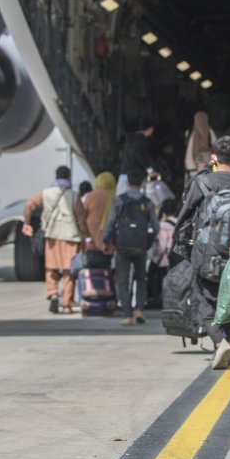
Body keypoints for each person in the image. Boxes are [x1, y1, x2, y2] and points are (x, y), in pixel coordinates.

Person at [175, 135, 230, 369]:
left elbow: (185, 216)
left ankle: (219, 340)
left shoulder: (201, 182)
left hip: (205, 251)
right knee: (228, 297)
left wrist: (181, 244)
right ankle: (224, 340)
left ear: (214, 157)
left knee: (203, 298)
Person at [23, 166, 86, 314]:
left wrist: (26, 224)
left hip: (51, 236)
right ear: (69, 177)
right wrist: (85, 235)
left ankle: (52, 294)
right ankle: (66, 304)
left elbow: (29, 205)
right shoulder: (74, 195)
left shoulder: (46, 194)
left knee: (51, 268)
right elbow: (81, 219)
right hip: (70, 236)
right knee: (68, 271)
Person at [103, 169, 160, 326]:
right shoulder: (147, 203)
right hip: (141, 246)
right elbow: (156, 227)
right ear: (142, 183)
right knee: (141, 278)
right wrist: (149, 239)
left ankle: (127, 314)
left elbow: (110, 223)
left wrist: (105, 240)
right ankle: (139, 310)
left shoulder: (119, 200)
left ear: (127, 183)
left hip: (122, 245)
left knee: (122, 280)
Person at [118, 119, 157, 193]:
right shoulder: (140, 141)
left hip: (124, 174)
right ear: (150, 129)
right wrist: (150, 170)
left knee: (122, 198)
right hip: (134, 178)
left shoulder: (130, 139)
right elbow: (140, 155)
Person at [81, 172, 116, 255]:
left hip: (92, 238)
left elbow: (82, 217)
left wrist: (87, 237)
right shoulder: (115, 197)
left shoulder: (90, 196)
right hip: (109, 241)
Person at [184, 111, 216, 182]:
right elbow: (216, 149)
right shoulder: (210, 132)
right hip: (203, 170)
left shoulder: (190, 133)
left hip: (195, 170)